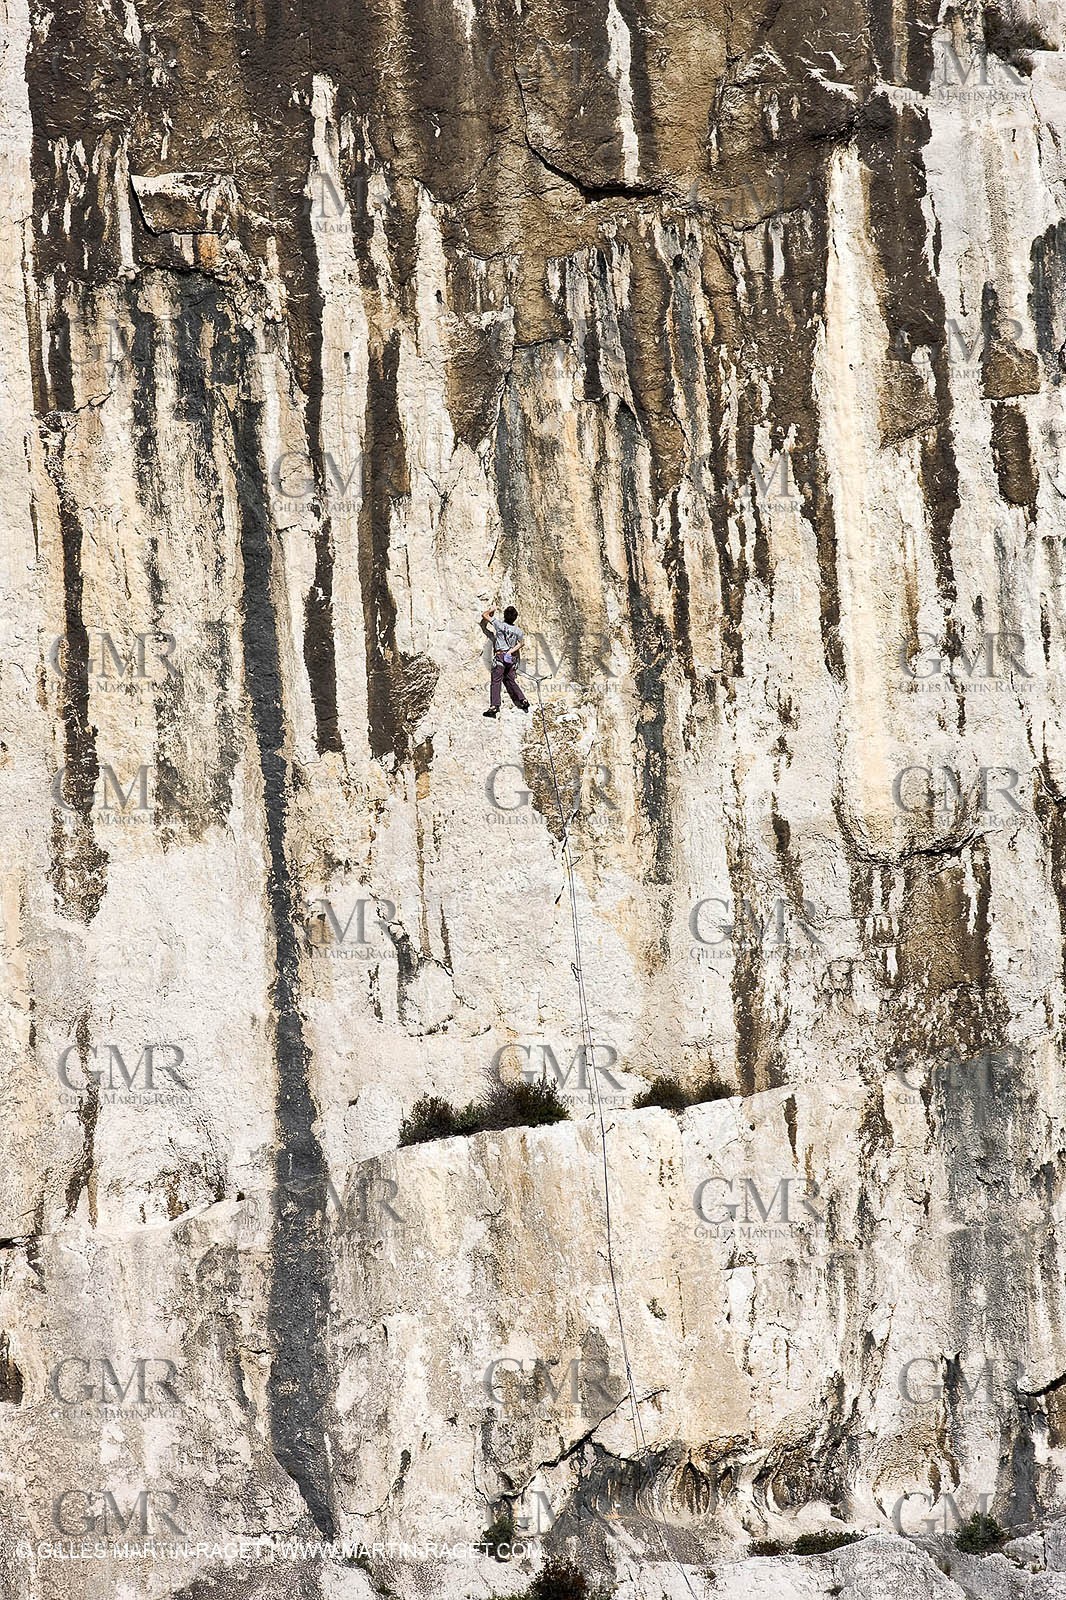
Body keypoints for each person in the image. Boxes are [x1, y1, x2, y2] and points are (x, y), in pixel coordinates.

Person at [480, 605, 530, 717]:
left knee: (496, 681)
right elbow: (522, 643)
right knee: (510, 680)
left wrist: (491, 610)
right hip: (510, 658)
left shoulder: (499, 625)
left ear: (504, 616)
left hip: (500, 656)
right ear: (515, 618)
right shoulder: (518, 631)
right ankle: (523, 700)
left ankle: (494, 707)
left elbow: (484, 615)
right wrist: (510, 651)